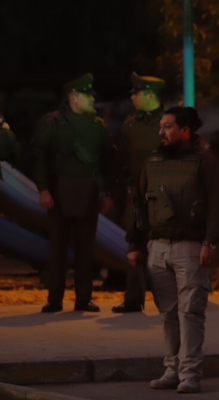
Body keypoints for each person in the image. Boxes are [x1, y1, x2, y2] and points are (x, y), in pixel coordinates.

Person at [126, 107, 219, 393]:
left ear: (185, 131)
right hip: (157, 247)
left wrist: (210, 242)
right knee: (168, 315)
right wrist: (135, 244)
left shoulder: (205, 161)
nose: (162, 131)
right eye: (161, 126)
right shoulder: (153, 160)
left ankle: (190, 375)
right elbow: (138, 205)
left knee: (191, 313)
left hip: (191, 248)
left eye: (168, 126)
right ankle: (172, 371)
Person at [32, 73, 117, 313]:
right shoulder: (52, 122)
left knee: (85, 249)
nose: (92, 99)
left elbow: (109, 161)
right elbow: (38, 157)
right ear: (73, 97)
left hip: (88, 192)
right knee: (57, 249)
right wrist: (43, 189)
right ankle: (55, 299)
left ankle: (83, 299)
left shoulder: (98, 125)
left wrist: (108, 193)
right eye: (87, 95)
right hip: (57, 192)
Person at [112, 72, 166, 314]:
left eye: (137, 92)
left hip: (164, 193)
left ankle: (166, 298)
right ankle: (133, 299)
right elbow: (123, 160)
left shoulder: (168, 122)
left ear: (151, 95)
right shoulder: (130, 125)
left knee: (164, 245)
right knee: (134, 244)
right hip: (136, 193)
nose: (132, 96)